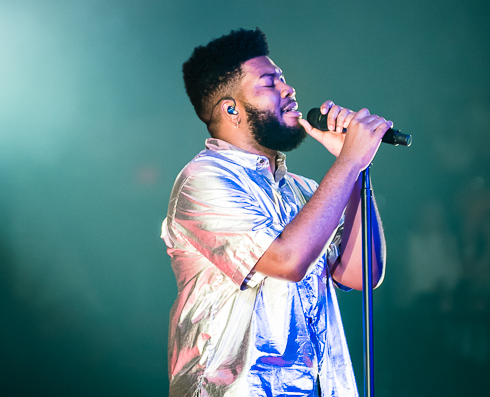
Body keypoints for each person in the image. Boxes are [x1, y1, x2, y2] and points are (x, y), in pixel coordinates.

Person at [162, 28, 388, 396]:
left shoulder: (303, 190)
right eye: (270, 83)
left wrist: (357, 169)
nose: (289, 89)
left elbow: (362, 274)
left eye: (283, 78)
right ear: (231, 109)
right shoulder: (202, 180)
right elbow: (287, 262)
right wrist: (348, 162)